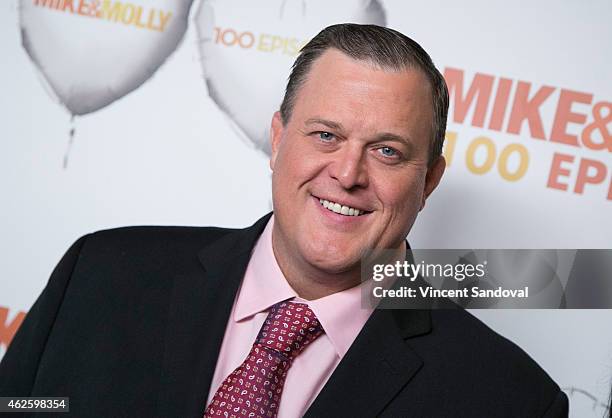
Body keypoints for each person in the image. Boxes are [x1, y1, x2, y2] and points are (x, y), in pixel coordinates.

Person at [0, 24, 567, 417]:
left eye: (387, 151)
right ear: (277, 140)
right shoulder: (100, 275)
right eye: (325, 135)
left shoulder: (509, 398)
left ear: (430, 181)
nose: (347, 173)